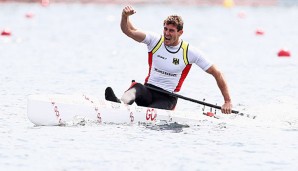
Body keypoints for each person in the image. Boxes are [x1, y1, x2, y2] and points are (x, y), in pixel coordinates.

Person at [105, 5, 232, 114]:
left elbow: (217, 73)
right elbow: (129, 31)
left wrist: (227, 101)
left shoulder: (189, 52)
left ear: (180, 32)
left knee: (150, 116)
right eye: (165, 29)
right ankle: (119, 105)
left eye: (171, 31)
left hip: (167, 98)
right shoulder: (155, 40)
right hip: (148, 90)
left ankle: (133, 113)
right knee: (136, 87)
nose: (167, 33)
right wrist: (124, 16)